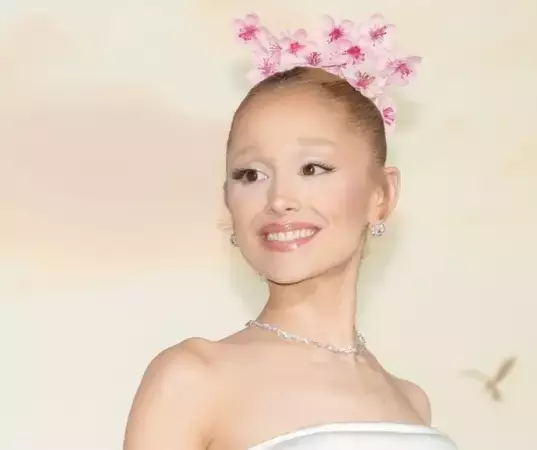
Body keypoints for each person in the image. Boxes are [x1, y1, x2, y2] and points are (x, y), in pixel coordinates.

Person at [123, 17, 458, 450]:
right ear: (227, 199)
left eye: (312, 168)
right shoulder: (192, 379)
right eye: (250, 174)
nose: (279, 199)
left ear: (382, 194)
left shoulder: (412, 402)